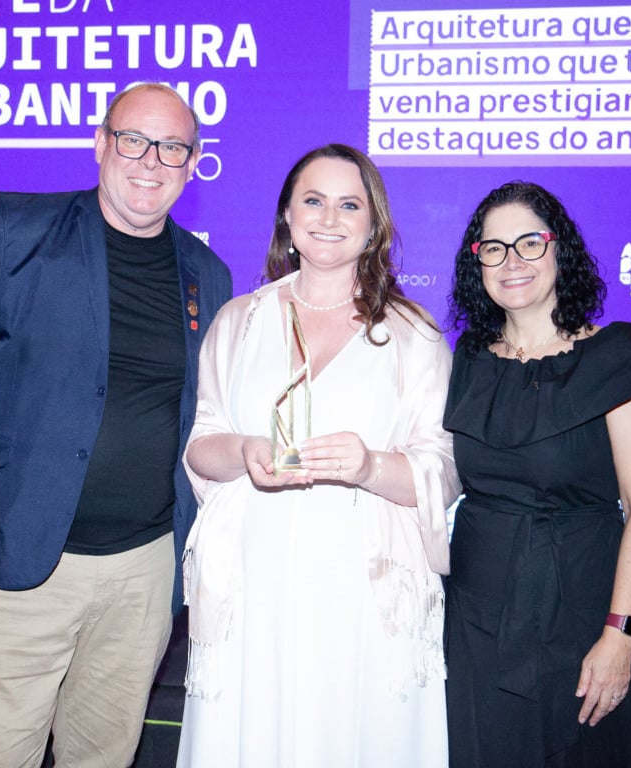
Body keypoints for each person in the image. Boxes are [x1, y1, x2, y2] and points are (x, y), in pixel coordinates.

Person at [0, 82, 232, 767]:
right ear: (100, 142)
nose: (150, 161)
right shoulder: (12, 229)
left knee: (103, 758)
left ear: (194, 162)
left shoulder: (208, 275)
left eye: (172, 148)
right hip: (10, 562)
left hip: (143, 575)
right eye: (133, 139)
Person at [176, 144, 458, 768]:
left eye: (349, 204)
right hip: (257, 585)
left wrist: (370, 467)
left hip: (364, 592)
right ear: (287, 216)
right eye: (314, 200)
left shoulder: (414, 335)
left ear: (374, 224)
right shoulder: (238, 322)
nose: (330, 217)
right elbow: (201, 446)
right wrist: (249, 451)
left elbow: (443, 468)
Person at [442, 181, 631, 767]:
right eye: (493, 248)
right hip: (475, 617)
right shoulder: (469, 359)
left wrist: (621, 635)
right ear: (478, 264)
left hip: (579, 612)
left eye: (529, 242)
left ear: (560, 249)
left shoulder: (616, 357)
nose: (513, 261)